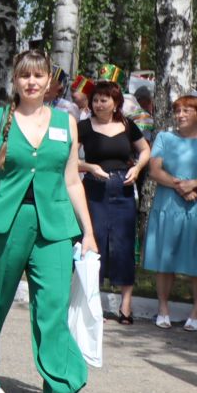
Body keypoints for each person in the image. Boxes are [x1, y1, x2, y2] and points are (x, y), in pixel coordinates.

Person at [0, 48, 98, 393]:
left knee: (52, 308)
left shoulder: (66, 123)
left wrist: (88, 232)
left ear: (49, 80)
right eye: (24, 76)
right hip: (5, 223)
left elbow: (71, 181)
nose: (32, 82)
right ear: (14, 81)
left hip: (55, 227)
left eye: (39, 76)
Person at [77, 81, 149, 325]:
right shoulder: (84, 127)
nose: (98, 104)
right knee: (94, 242)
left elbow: (145, 150)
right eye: (95, 100)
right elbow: (68, 159)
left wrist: (138, 168)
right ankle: (93, 304)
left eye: (104, 100)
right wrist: (88, 166)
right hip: (94, 189)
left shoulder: (127, 125)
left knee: (123, 244)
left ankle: (125, 305)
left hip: (124, 189)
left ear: (116, 102)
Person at [142, 94, 197, 330]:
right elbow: (154, 170)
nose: (180, 115)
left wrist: (195, 184)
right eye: (177, 111)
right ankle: (163, 308)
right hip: (167, 206)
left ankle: (196, 311)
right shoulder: (164, 137)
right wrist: (181, 186)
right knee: (165, 258)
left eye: (186, 111)